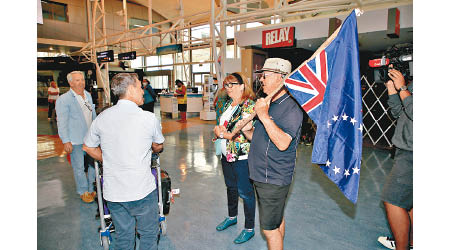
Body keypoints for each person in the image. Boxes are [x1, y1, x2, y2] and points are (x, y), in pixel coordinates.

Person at [83, 73, 164, 250]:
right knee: (149, 233)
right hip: (141, 190)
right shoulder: (148, 118)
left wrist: (110, 159)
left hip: (114, 193)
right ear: (130, 89)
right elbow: (158, 145)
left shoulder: (102, 118)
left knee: (124, 236)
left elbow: (88, 147)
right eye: (140, 87)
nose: (143, 91)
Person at [242, 58, 303, 250]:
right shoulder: (269, 103)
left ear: (280, 78)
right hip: (262, 174)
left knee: (269, 230)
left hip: (273, 177)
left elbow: (283, 142)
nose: (262, 80)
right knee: (276, 219)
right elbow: (260, 138)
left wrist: (263, 115)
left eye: (265, 76)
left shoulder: (291, 106)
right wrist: (246, 129)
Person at [213, 72, 257, 244]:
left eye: (232, 84)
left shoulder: (249, 105)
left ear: (242, 85)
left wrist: (224, 132)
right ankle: (232, 217)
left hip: (241, 156)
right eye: (226, 85)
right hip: (227, 154)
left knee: (245, 193)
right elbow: (222, 126)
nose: (228, 88)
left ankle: (249, 228)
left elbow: (240, 130)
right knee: (230, 187)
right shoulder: (229, 105)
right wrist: (219, 130)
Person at [378, 67, 413, 250]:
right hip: (406, 148)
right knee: (411, 203)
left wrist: (402, 89)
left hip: (412, 153)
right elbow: (400, 114)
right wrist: (392, 88)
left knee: (393, 200)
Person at [55, 71, 97, 203]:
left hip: (91, 139)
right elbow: (61, 122)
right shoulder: (64, 99)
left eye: (82, 80)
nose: (81, 83)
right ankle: (83, 191)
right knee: (79, 167)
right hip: (75, 140)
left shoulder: (88, 95)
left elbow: (93, 115)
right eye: (77, 80)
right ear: (70, 83)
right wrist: (66, 140)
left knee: (92, 165)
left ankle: (92, 188)